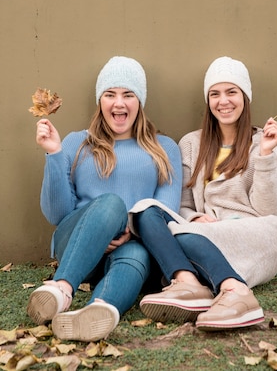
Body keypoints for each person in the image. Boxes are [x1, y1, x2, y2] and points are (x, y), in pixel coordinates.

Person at [27, 56, 182, 342]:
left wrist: (129, 233)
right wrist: (53, 153)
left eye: (128, 94)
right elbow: (56, 214)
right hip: (77, 246)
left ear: (140, 101)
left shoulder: (165, 149)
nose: (118, 103)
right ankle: (62, 287)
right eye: (110, 94)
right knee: (112, 204)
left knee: (136, 254)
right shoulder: (76, 142)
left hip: (132, 246)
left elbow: (166, 213)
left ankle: (97, 310)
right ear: (100, 100)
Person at [131, 56, 277, 331]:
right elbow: (182, 204)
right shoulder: (192, 143)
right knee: (144, 210)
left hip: (255, 234)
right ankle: (190, 284)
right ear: (208, 101)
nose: (223, 101)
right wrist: (192, 218)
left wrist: (265, 155)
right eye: (215, 94)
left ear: (245, 97)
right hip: (204, 232)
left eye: (231, 92)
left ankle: (236, 292)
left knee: (176, 239)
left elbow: (268, 209)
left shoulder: (266, 141)